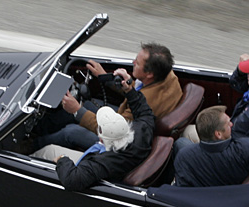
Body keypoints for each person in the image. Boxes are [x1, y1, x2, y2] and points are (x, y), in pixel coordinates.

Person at [34, 42, 182, 152]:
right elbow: (138, 89)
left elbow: (114, 132)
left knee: (71, 131)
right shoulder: (167, 75)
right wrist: (105, 77)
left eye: (137, 63)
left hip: (121, 141)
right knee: (89, 104)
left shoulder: (148, 101)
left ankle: (33, 145)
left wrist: (77, 111)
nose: (133, 63)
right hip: (128, 123)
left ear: (149, 73)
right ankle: (41, 127)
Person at [42, 82, 156, 191]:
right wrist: (129, 90)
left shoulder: (104, 163)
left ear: (101, 138)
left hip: (82, 168)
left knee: (49, 150)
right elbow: (145, 112)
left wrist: (62, 159)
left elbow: (72, 180)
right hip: (111, 161)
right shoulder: (142, 131)